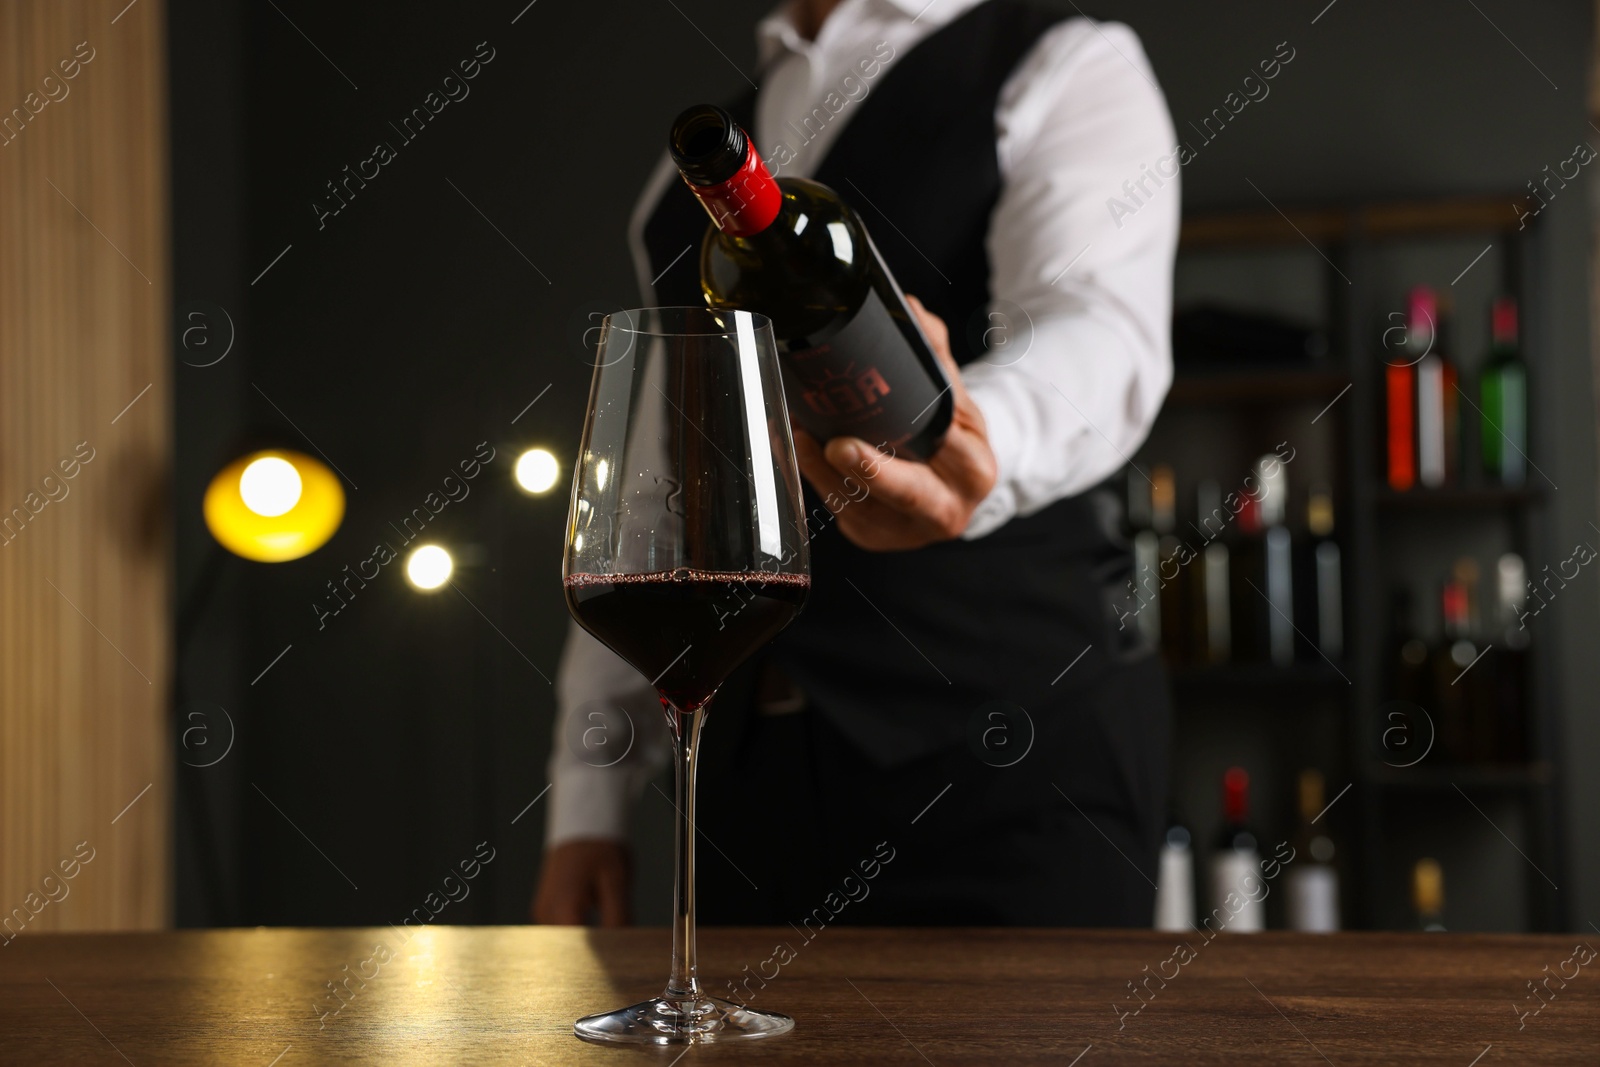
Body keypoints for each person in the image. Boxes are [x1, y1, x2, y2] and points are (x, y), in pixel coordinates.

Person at [534, 0, 1178, 928]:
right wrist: (586, 798)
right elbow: (652, 497)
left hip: (1004, 763)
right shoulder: (677, 192)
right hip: (745, 782)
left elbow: (1096, 329)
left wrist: (970, 441)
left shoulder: (1061, 62)